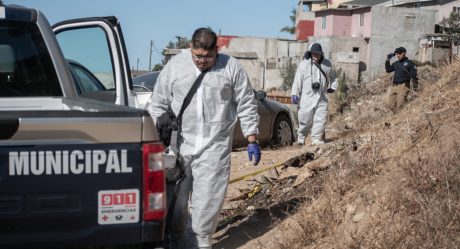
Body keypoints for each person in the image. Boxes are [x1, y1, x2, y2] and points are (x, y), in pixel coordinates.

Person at [148, 27, 261, 249]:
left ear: (216, 51)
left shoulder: (231, 68)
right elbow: (158, 102)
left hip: (214, 148)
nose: (202, 61)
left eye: (208, 56)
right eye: (198, 56)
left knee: (206, 205)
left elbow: (246, 102)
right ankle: (174, 242)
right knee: (176, 207)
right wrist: (154, 137)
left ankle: (199, 244)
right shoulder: (176, 66)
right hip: (179, 148)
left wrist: (252, 139)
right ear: (191, 48)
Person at [291, 43, 337, 146]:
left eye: (318, 54)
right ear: (310, 53)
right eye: (314, 53)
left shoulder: (327, 64)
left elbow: (334, 76)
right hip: (306, 97)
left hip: (322, 97)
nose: (316, 55)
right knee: (305, 119)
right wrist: (295, 93)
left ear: (321, 54)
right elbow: (298, 80)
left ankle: (316, 139)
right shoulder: (304, 64)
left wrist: (333, 87)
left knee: (320, 119)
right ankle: (301, 138)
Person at [385, 46, 418, 111]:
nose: (398, 55)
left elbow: (414, 76)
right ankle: (393, 119)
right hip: (394, 87)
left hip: (403, 87)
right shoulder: (396, 63)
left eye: (400, 53)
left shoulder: (409, 63)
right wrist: (387, 60)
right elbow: (388, 70)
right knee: (390, 106)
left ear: (404, 53)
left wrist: (415, 89)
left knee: (400, 106)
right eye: (397, 53)